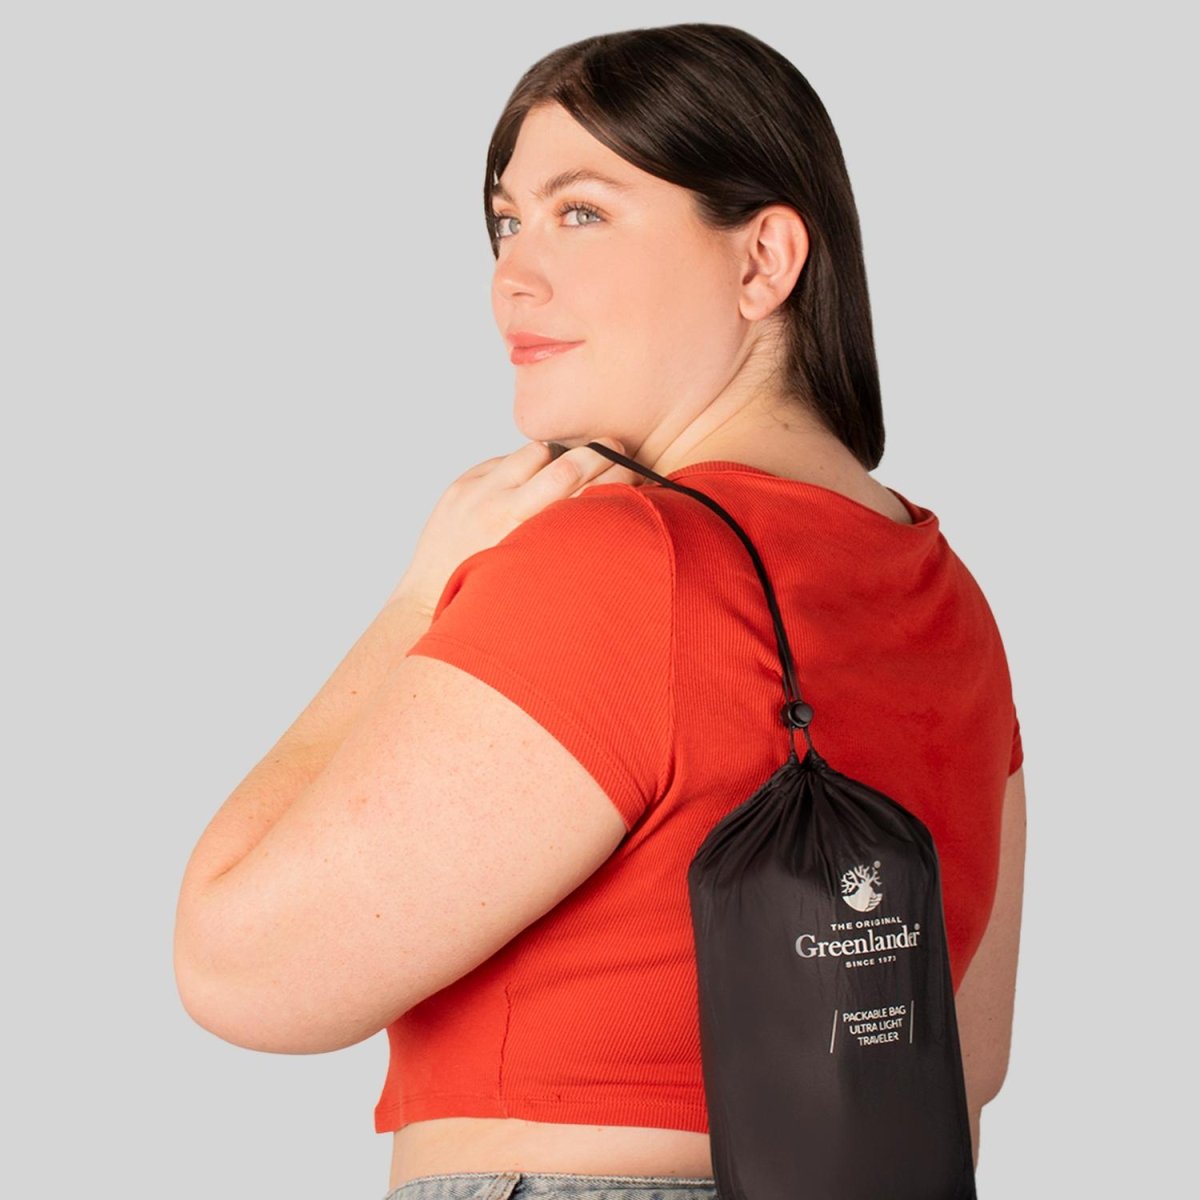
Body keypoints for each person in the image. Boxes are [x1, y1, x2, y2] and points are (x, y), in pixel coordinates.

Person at [173, 22, 1026, 1200]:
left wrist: (420, 600)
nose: (513, 278)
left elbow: (239, 969)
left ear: (764, 260)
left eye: (581, 212)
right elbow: (964, 1063)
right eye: (506, 221)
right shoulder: (947, 598)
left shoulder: (624, 560)